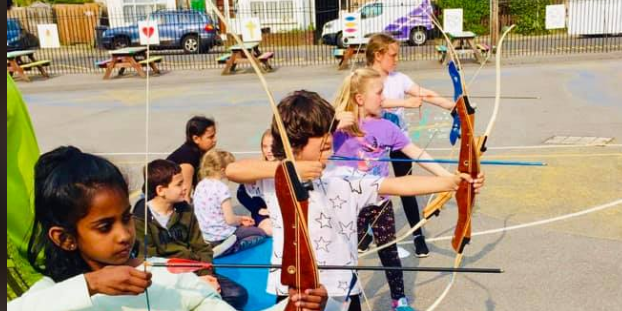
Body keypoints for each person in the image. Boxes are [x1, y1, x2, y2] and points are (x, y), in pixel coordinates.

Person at [225, 90, 484, 311]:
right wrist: (290, 170)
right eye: (324, 147)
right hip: (293, 286)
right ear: (294, 145)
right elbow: (233, 170)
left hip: (341, 288)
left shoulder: (342, 177)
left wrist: (454, 182)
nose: (331, 151)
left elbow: (396, 185)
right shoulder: (273, 179)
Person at [10, 146, 327, 311]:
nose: (123, 234)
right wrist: (90, 285)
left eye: (124, 218)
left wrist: (294, 307)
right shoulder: (52, 295)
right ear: (65, 239)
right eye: (104, 227)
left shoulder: (167, 276)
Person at [332, 68, 465, 310]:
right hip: (347, 204)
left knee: (389, 252)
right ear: (360, 98)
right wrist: (333, 123)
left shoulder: (388, 127)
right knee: (346, 254)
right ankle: (347, 296)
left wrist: (450, 178)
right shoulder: (338, 125)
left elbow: (417, 153)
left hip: (379, 201)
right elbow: (305, 141)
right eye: (379, 93)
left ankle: (399, 300)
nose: (384, 98)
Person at [366, 33, 456, 257]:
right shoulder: (365, 78)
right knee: (369, 189)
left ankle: (417, 235)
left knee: (407, 186)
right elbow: (379, 101)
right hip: (371, 144)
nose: (396, 59)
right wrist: (405, 102)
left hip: (398, 140)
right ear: (378, 55)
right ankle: (365, 232)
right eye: (393, 55)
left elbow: (424, 93)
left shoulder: (399, 78)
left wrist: (453, 107)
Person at [133, 159, 249, 310]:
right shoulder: (141, 218)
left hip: (195, 271)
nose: (185, 187)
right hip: (168, 281)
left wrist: (207, 276)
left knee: (237, 295)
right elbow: (152, 263)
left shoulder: (186, 209)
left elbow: (201, 248)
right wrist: (195, 283)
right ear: (160, 190)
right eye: (179, 184)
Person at [194, 149, 267, 256]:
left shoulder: (200, 185)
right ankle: (231, 246)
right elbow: (230, 220)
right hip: (223, 235)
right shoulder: (222, 189)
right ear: (224, 170)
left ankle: (212, 246)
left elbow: (214, 213)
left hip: (205, 235)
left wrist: (241, 219)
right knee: (260, 234)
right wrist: (239, 221)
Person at [167, 116, 217, 202]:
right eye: (210, 137)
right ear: (196, 139)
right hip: (155, 202)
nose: (215, 140)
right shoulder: (188, 160)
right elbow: (184, 197)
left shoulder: (199, 153)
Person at [237, 129, 274, 236]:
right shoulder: (257, 169)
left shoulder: (287, 166)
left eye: (272, 146)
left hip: (284, 212)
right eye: (265, 146)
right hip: (264, 213)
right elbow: (241, 194)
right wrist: (257, 209)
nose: (268, 150)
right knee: (268, 230)